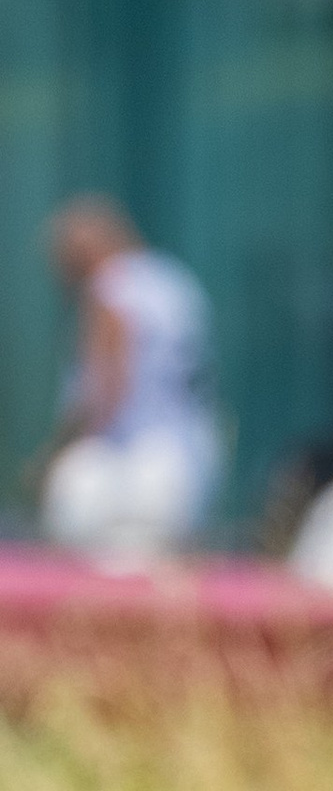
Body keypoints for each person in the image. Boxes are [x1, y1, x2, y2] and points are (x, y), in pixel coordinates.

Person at [38, 198, 221, 567]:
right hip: (187, 455)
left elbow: (105, 391)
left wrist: (53, 454)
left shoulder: (110, 286)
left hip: (129, 469)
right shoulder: (172, 279)